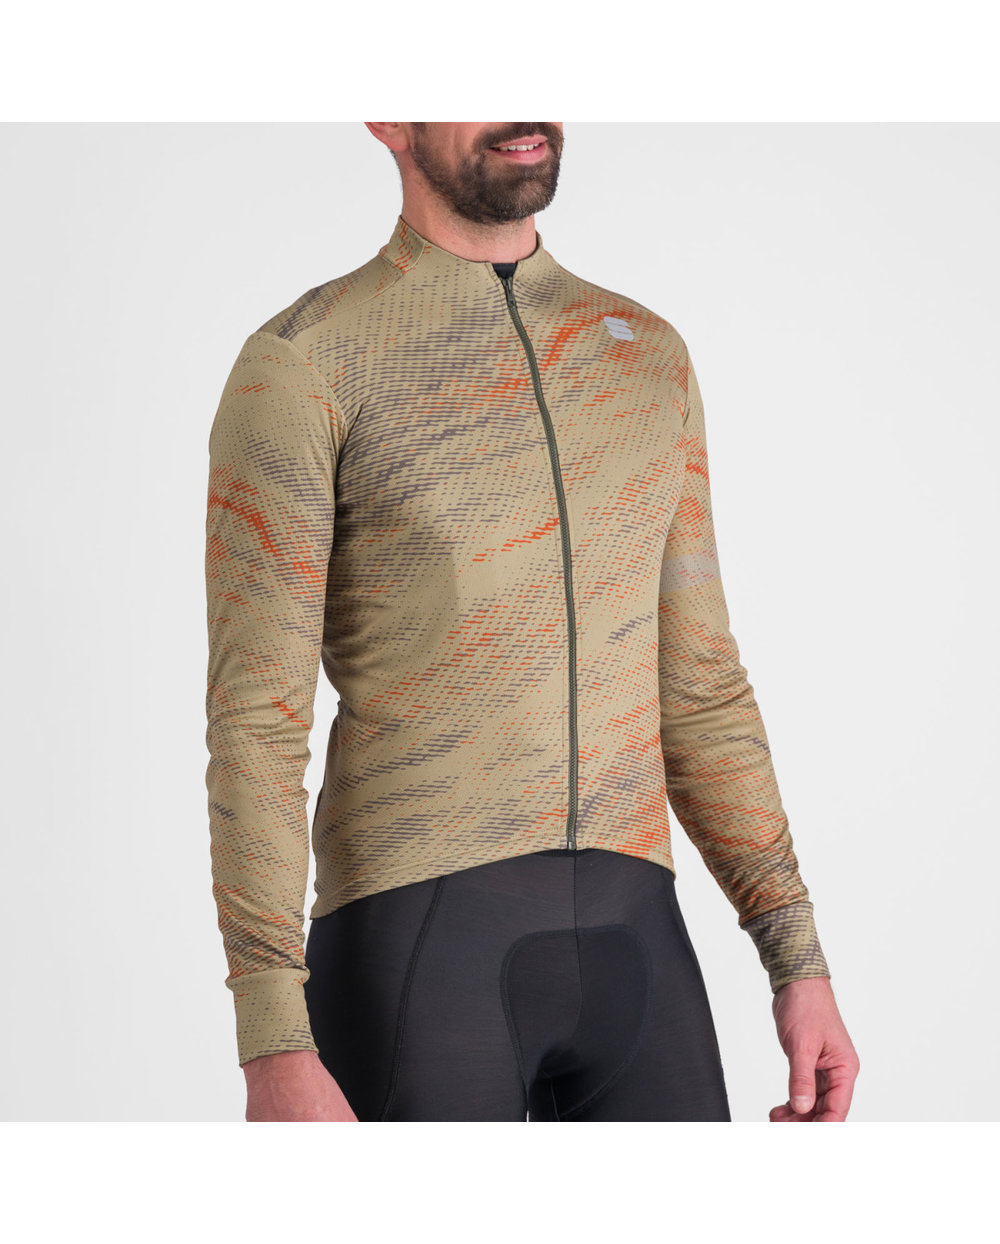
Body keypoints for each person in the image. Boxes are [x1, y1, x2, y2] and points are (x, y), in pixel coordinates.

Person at [204, 121, 860, 1122]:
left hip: (638, 941)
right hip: (416, 950)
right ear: (386, 115)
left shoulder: (648, 355)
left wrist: (796, 957)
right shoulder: (305, 363)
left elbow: (697, 684)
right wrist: (271, 1037)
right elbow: (255, 719)